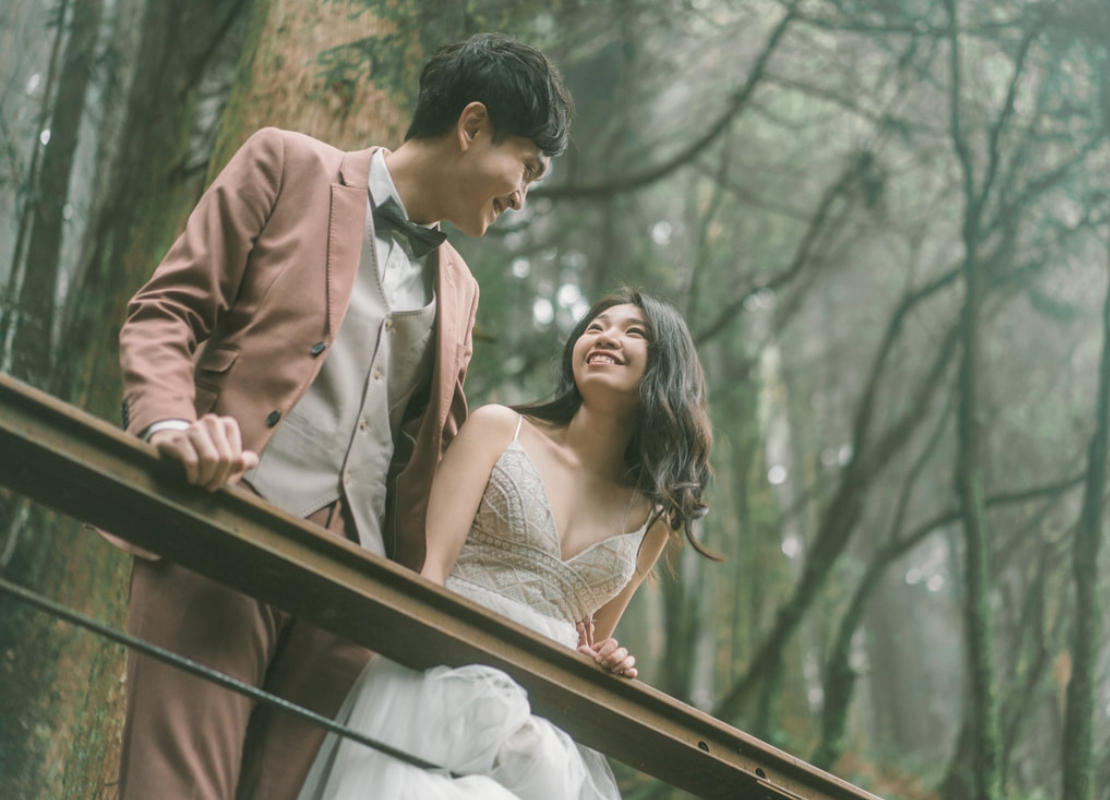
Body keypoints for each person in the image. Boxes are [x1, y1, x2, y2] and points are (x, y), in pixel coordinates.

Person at [112, 34, 572, 800]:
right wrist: (169, 429)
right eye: (525, 165)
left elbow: (440, 462)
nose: (522, 193)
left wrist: (561, 617)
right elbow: (166, 314)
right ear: (472, 124)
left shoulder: (461, 286)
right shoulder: (285, 164)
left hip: (352, 599)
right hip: (224, 528)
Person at [297, 289, 719, 800]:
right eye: (596, 326)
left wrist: (608, 662)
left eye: (635, 333)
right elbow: (432, 572)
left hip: (543, 724)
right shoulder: (499, 429)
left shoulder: (654, 517)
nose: (607, 336)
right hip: (439, 675)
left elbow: (590, 641)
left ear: (665, 369)